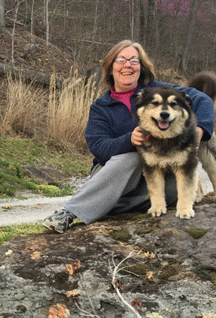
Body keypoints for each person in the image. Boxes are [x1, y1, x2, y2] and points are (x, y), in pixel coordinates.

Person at [42, 39, 214, 233]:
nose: (128, 66)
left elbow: (203, 99)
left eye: (134, 60)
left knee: (174, 190)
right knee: (132, 157)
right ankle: (69, 213)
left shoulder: (157, 90)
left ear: (141, 67)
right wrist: (129, 140)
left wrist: (200, 130)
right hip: (114, 171)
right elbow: (99, 147)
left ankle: (104, 205)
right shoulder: (101, 107)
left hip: (155, 173)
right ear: (110, 66)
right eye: (121, 60)